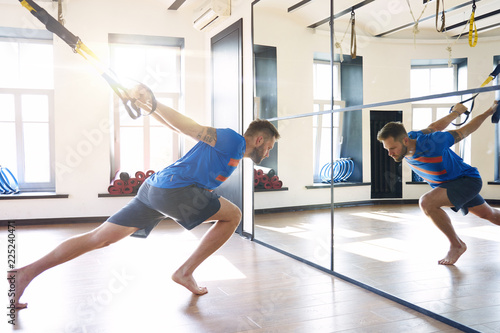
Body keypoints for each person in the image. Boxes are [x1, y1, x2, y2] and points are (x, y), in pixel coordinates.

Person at [9, 85, 280, 309]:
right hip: (172, 191)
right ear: (259, 140)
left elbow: (177, 129)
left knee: (98, 238)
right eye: (268, 147)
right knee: (234, 216)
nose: (267, 154)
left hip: (154, 189)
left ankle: (24, 274)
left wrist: (150, 106)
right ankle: (185, 272)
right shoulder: (235, 142)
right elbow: (188, 127)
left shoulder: (230, 152)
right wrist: (153, 103)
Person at [377, 100, 500, 265]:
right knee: (489, 214)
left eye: (392, 148)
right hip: (448, 186)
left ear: (405, 141)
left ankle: (457, 245)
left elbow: (465, 130)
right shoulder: (411, 137)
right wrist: (455, 113)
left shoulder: (432, 143)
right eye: (387, 149)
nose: (390, 153)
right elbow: (434, 126)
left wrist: (489, 111)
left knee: (427, 202)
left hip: (466, 181)